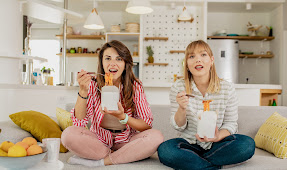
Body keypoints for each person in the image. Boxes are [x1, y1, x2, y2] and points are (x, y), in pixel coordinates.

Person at [61, 40, 164, 167]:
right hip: (99, 139)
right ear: (102, 62)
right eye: (108, 58)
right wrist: (83, 90)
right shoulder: (92, 84)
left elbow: (146, 125)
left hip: (126, 140)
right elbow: (79, 123)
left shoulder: (135, 86)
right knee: (68, 135)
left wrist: (123, 117)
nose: (113, 63)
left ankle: (101, 161)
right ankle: (122, 155)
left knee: (156, 137)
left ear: (125, 63)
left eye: (119, 59)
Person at [157, 40, 255, 170]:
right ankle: (211, 165)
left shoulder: (227, 88)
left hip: (217, 144)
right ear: (186, 64)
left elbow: (231, 124)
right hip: (189, 144)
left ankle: (195, 164)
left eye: (203, 55)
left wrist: (218, 136)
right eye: (192, 56)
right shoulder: (178, 87)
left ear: (212, 60)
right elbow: (178, 127)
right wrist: (181, 108)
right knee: (165, 150)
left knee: (247, 144)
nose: (198, 60)